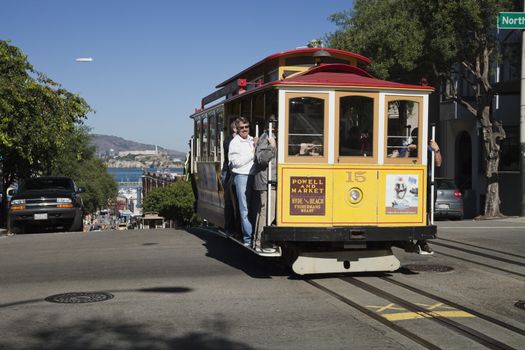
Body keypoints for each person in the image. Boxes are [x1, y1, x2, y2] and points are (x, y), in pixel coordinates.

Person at [406, 137, 442, 254]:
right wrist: (408, 150)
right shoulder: (409, 148)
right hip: (411, 181)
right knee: (408, 209)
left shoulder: (429, 149)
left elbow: (438, 163)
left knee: (428, 211)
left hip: (427, 180)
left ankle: (422, 241)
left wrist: (436, 150)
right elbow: (401, 162)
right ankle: (407, 239)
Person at [228, 117, 255, 247]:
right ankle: (248, 239)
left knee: (254, 207)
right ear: (237, 129)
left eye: (247, 126)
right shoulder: (234, 143)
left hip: (255, 176)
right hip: (242, 177)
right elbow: (235, 163)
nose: (245, 129)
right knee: (244, 209)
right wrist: (252, 154)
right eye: (242, 127)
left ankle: (255, 236)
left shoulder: (253, 140)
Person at [253, 116, 278, 253]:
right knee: (267, 212)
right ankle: (260, 242)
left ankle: (260, 241)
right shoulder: (266, 137)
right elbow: (261, 159)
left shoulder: (274, 136)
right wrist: (272, 147)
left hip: (274, 180)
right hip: (266, 180)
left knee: (265, 211)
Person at [221, 120, 238, 235]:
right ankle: (229, 227)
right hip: (228, 172)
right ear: (235, 129)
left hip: (233, 172)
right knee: (229, 201)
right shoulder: (229, 141)